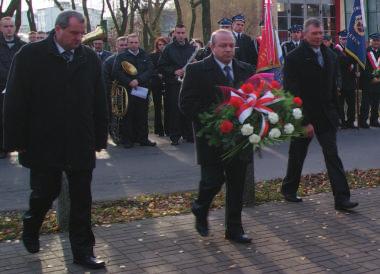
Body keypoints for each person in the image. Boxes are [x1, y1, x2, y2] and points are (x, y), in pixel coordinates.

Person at [3, 11, 108, 269]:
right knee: (44, 192)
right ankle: (32, 221)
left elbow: (99, 100)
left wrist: (99, 138)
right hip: (43, 141)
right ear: (58, 30)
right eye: (74, 33)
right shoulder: (30, 55)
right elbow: (15, 100)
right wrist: (15, 140)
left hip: (79, 140)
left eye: (82, 33)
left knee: (82, 199)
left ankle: (83, 252)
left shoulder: (90, 58)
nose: (79, 38)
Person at [179, 29, 255, 244]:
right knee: (212, 181)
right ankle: (201, 208)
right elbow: (185, 104)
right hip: (211, 139)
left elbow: (255, 99)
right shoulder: (197, 70)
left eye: (231, 45)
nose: (229, 49)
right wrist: (213, 119)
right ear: (212, 47)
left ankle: (234, 229)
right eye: (223, 45)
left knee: (236, 184)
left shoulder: (246, 69)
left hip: (239, 139)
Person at [280, 18, 358, 211]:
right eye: (314, 33)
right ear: (305, 35)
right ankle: (289, 189)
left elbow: (333, 87)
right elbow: (292, 92)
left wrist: (337, 114)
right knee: (297, 154)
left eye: (320, 33)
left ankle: (341, 198)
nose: (318, 37)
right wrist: (304, 121)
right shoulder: (293, 57)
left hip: (326, 115)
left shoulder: (330, 55)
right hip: (304, 114)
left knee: (332, 155)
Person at [113, 33, 155, 148]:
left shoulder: (145, 55)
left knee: (142, 114)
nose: (134, 45)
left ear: (139, 43)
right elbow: (116, 72)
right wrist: (129, 81)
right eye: (131, 42)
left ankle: (143, 139)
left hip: (142, 89)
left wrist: (139, 80)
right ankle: (128, 140)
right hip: (128, 90)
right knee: (128, 115)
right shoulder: (121, 56)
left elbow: (150, 70)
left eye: (136, 42)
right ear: (128, 44)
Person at [159, 24, 196, 145]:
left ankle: (189, 134)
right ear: (174, 33)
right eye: (178, 33)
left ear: (185, 34)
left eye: (182, 33)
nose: (180, 35)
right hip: (173, 83)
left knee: (188, 107)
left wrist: (193, 65)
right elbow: (161, 66)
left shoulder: (191, 48)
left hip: (188, 83)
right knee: (174, 109)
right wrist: (174, 71)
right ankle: (175, 136)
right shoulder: (168, 49)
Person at [0, 16, 26, 159]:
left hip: (18, 88)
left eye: (11, 26)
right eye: (5, 26)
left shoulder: (23, 46)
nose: (9, 29)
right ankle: (2, 147)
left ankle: (20, 144)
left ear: (15, 28)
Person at [334, 30, 357, 129]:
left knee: (351, 104)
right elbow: (341, 62)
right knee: (340, 104)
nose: (344, 41)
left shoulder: (351, 50)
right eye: (342, 39)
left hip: (351, 81)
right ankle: (342, 122)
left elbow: (357, 61)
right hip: (341, 81)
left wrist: (354, 66)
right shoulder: (336, 49)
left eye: (346, 39)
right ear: (339, 39)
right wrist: (351, 62)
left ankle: (350, 121)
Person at [359, 33, 380, 128]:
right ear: (370, 41)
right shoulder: (364, 52)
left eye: (378, 41)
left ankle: (374, 120)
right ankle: (363, 121)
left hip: (378, 82)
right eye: (374, 40)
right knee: (365, 103)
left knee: (376, 102)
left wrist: (378, 78)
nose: (376, 42)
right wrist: (372, 78)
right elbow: (363, 67)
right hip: (368, 82)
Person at [149, 37, 168, 137]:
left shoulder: (169, 55)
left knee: (168, 106)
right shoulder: (152, 55)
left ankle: (168, 128)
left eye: (163, 44)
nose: (161, 47)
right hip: (156, 82)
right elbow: (151, 68)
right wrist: (158, 74)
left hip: (167, 81)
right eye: (159, 45)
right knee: (157, 106)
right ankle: (158, 128)